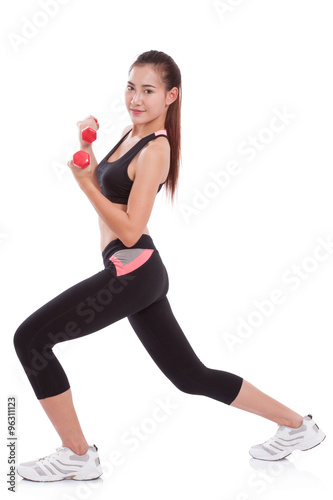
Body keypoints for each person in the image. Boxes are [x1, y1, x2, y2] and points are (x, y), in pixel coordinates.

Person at [13, 50, 325, 482]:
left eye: (148, 90)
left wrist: (83, 182)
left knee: (30, 339)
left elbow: (129, 228)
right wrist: (87, 144)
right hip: (138, 273)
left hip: (131, 271)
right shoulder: (129, 134)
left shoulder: (156, 148)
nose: (135, 98)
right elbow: (110, 187)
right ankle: (298, 427)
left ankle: (77, 454)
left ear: (171, 96)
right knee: (190, 375)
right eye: (130, 86)